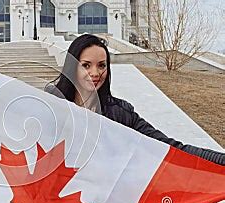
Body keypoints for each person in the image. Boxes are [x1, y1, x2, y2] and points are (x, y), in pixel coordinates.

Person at [45, 34, 224, 165]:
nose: (95, 73)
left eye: (102, 65)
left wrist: (220, 160)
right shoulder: (50, 106)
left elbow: (170, 147)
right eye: (86, 65)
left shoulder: (121, 113)